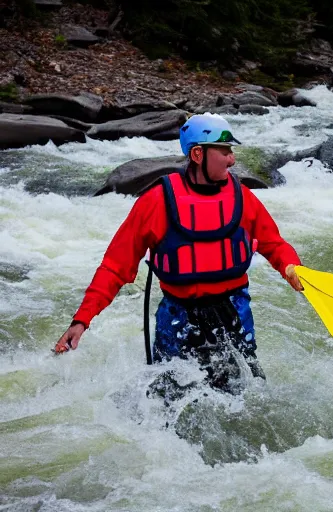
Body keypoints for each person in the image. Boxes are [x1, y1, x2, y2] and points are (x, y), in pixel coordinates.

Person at [54, 113, 303, 395]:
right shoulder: (156, 202)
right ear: (198, 154)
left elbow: (273, 244)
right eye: (224, 151)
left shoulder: (243, 197)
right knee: (171, 400)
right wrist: (81, 320)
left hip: (234, 311)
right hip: (178, 317)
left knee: (244, 397)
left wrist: (291, 267)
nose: (232, 159)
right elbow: (115, 266)